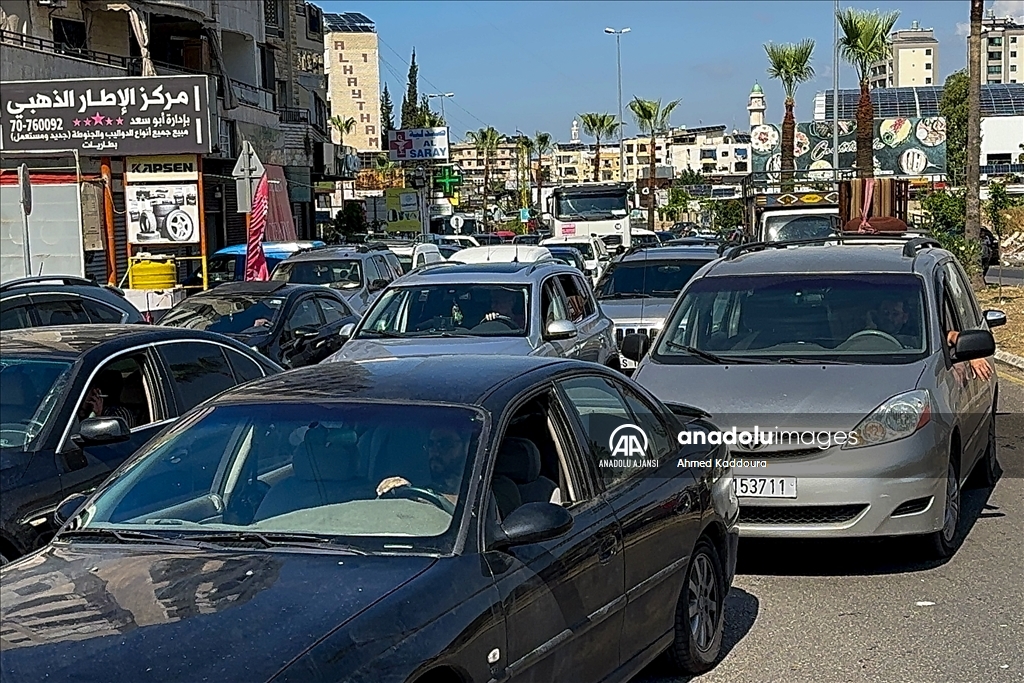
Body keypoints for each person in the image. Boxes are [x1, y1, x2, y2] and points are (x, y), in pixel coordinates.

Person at [375, 426, 470, 505]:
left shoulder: (480, 492)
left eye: (445, 444)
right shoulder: (417, 493)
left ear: (466, 447)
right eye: (431, 444)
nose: (435, 451)